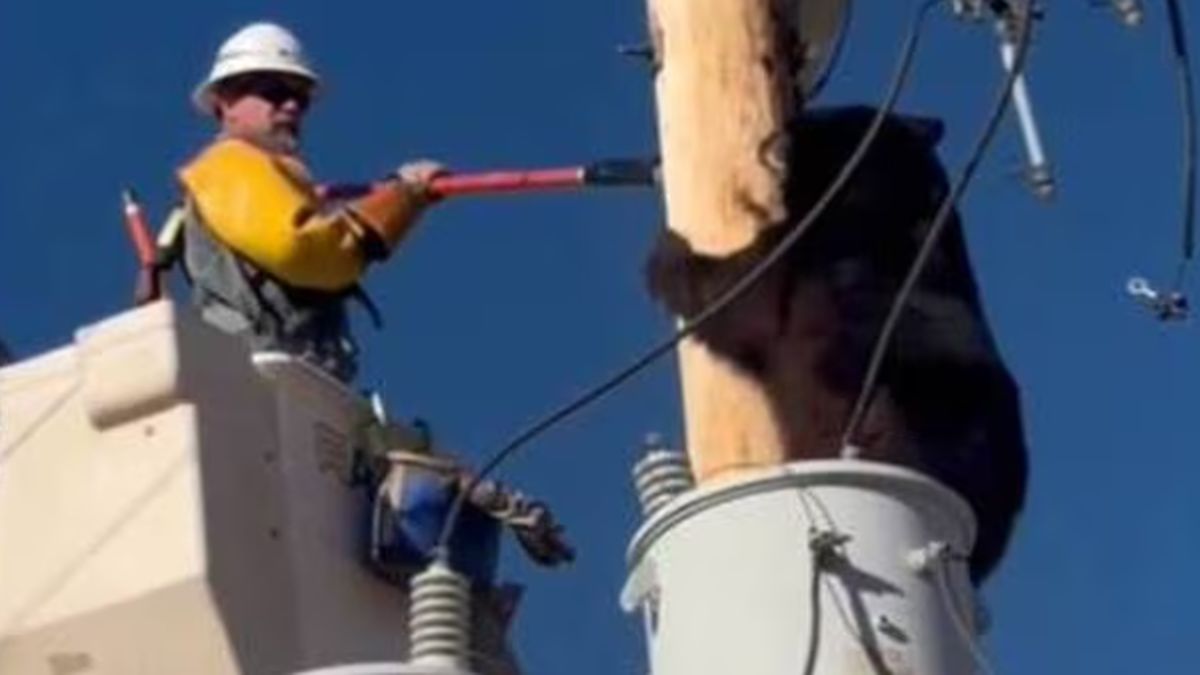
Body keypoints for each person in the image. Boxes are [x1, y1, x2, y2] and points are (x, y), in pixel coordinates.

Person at [176, 22, 443, 382]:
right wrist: (401, 198)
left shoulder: (265, 178)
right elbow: (303, 250)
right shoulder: (227, 164)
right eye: (274, 93)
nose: (291, 107)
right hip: (261, 380)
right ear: (226, 103)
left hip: (292, 381)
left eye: (299, 98)